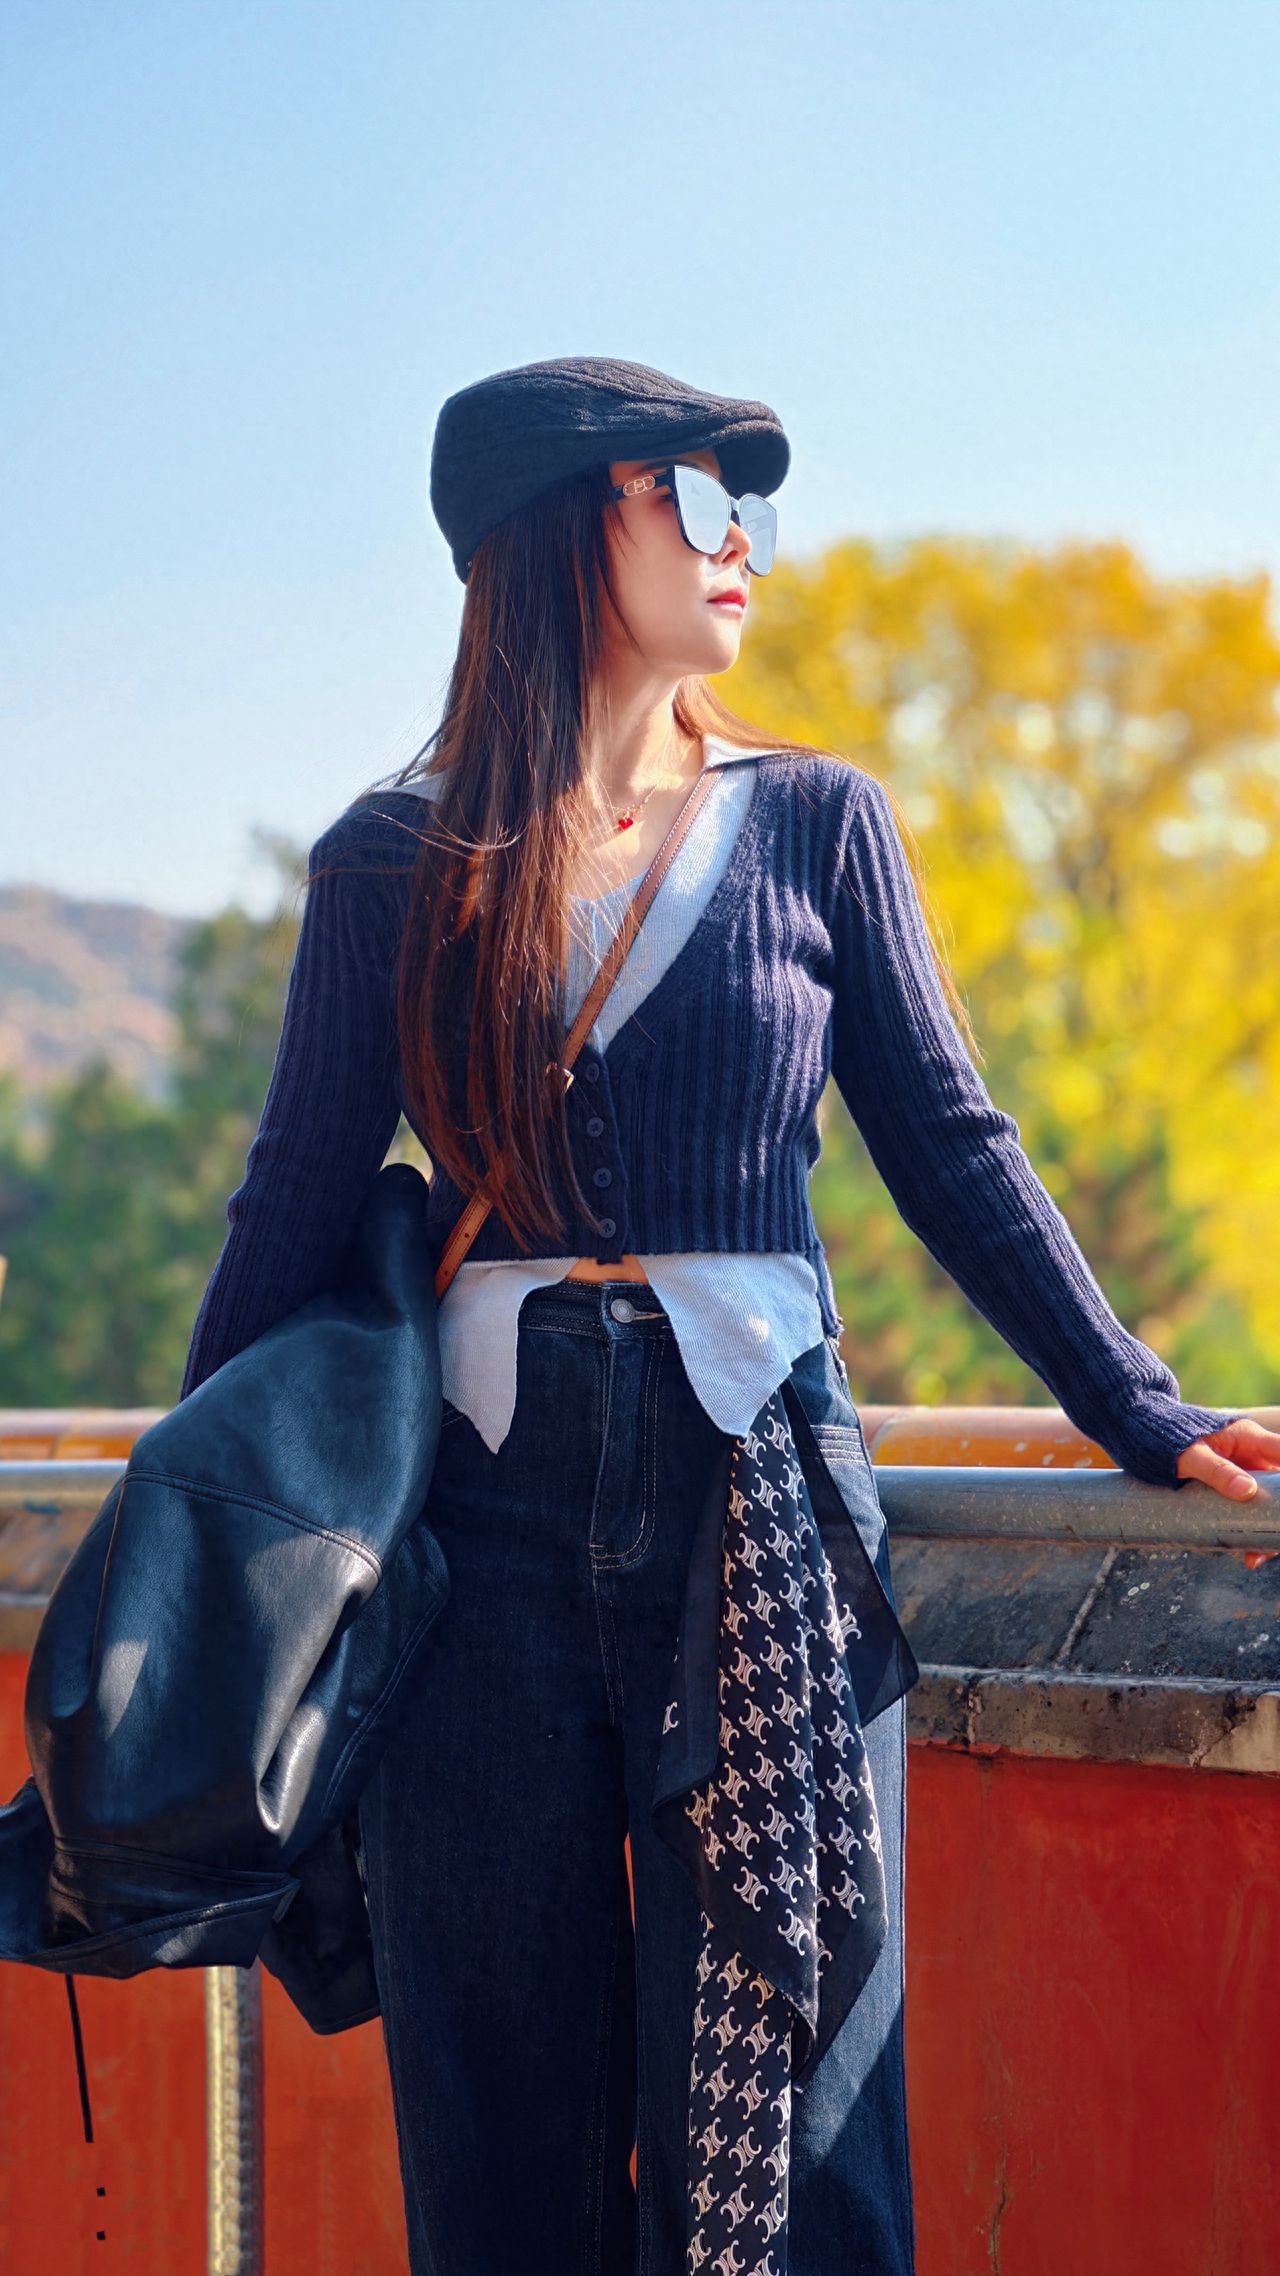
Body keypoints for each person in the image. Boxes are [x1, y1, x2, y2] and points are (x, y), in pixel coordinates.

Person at [179, 355, 1276, 2276]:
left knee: (812, 2106)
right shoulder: (392, 857)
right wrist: (201, 1548)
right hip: (476, 1528)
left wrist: (1140, 1407)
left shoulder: (817, 823)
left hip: (760, 1494)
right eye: (694, 503)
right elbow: (294, 1190)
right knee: (498, 2131)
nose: (742, 546)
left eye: (748, 508)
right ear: (559, 535)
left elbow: (950, 1141)